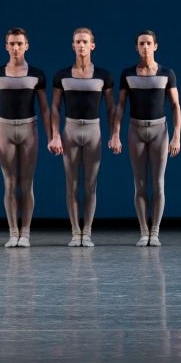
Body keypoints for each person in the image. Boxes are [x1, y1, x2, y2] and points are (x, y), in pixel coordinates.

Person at [0, 28, 52, 247]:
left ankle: (25, 233)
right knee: (9, 183)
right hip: (5, 129)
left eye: (20, 44)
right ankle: (13, 232)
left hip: (29, 129)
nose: (16, 48)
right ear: (6, 47)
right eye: (12, 44)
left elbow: (45, 108)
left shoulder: (37, 74)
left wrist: (52, 137)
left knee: (27, 183)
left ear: (27, 46)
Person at [109, 30, 181, 246]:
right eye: (141, 44)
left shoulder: (167, 73)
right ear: (136, 47)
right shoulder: (128, 74)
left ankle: (155, 232)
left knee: (158, 183)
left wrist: (176, 136)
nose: (145, 47)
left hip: (160, 131)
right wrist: (115, 134)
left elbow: (175, 106)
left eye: (149, 43)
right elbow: (120, 106)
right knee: (140, 184)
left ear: (155, 46)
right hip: (136, 130)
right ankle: (143, 232)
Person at [48, 28, 114, 247]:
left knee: (90, 185)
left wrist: (114, 135)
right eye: (78, 42)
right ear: (73, 46)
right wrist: (55, 135)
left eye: (85, 42)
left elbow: (111, 109)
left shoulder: (103, 76)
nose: (82, 45)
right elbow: (55, 107)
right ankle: (75, 232)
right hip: (70, 131)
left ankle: (87, 233)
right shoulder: (62, 76)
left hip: (94, 131)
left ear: (92, 45)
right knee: (72, 184)